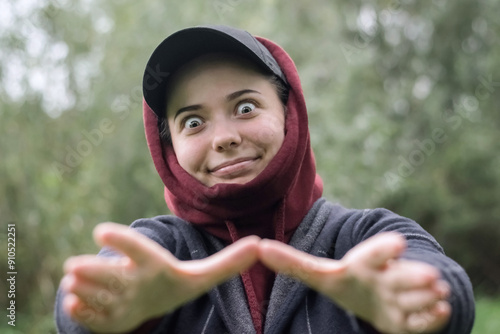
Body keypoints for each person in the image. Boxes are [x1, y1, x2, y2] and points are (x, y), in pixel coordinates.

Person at [54, 25, 475, 334]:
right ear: (169, 148)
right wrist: (108, 310)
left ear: (291, 114)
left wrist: (418, 299)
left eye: (245, 108)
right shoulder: (159, 246)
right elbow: (90, 295)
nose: (224, 138)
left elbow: (440, 279)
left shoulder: (367, 234)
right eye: (194, 121)